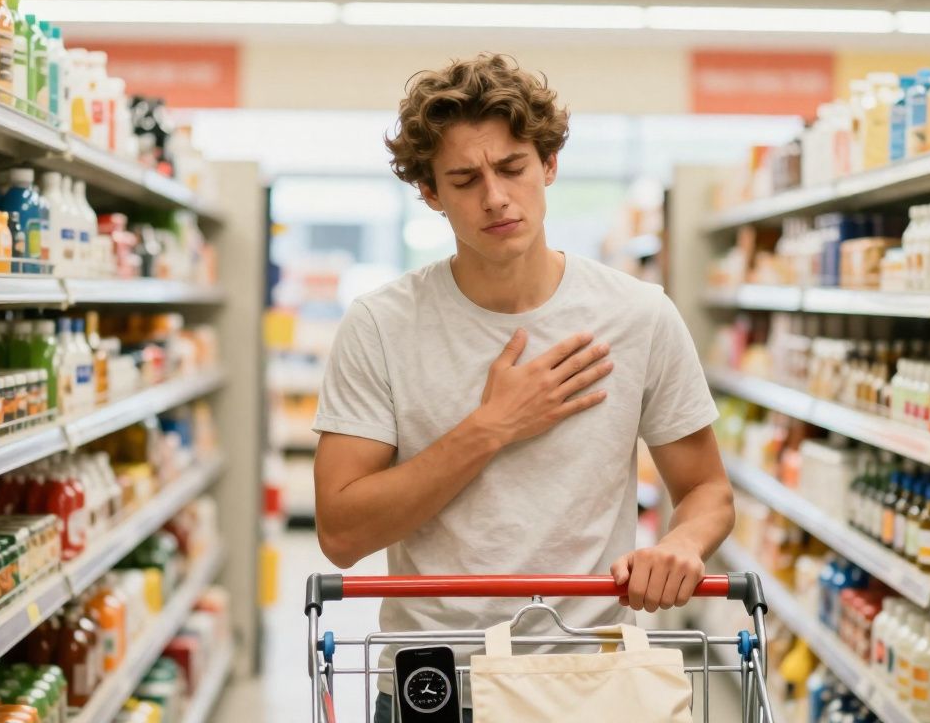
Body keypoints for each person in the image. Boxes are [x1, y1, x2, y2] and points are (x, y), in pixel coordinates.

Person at [311, 53, 734, 722]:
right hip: (438, 686)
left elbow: (707, 490)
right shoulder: (381, 325)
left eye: (512, 168)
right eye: (464, 179)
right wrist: (492, 427)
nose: (495, 197)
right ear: (430, 193)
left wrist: (681, 545)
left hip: (594, 679)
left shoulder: (639, 315)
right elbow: (341, 534)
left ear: (549, 165)